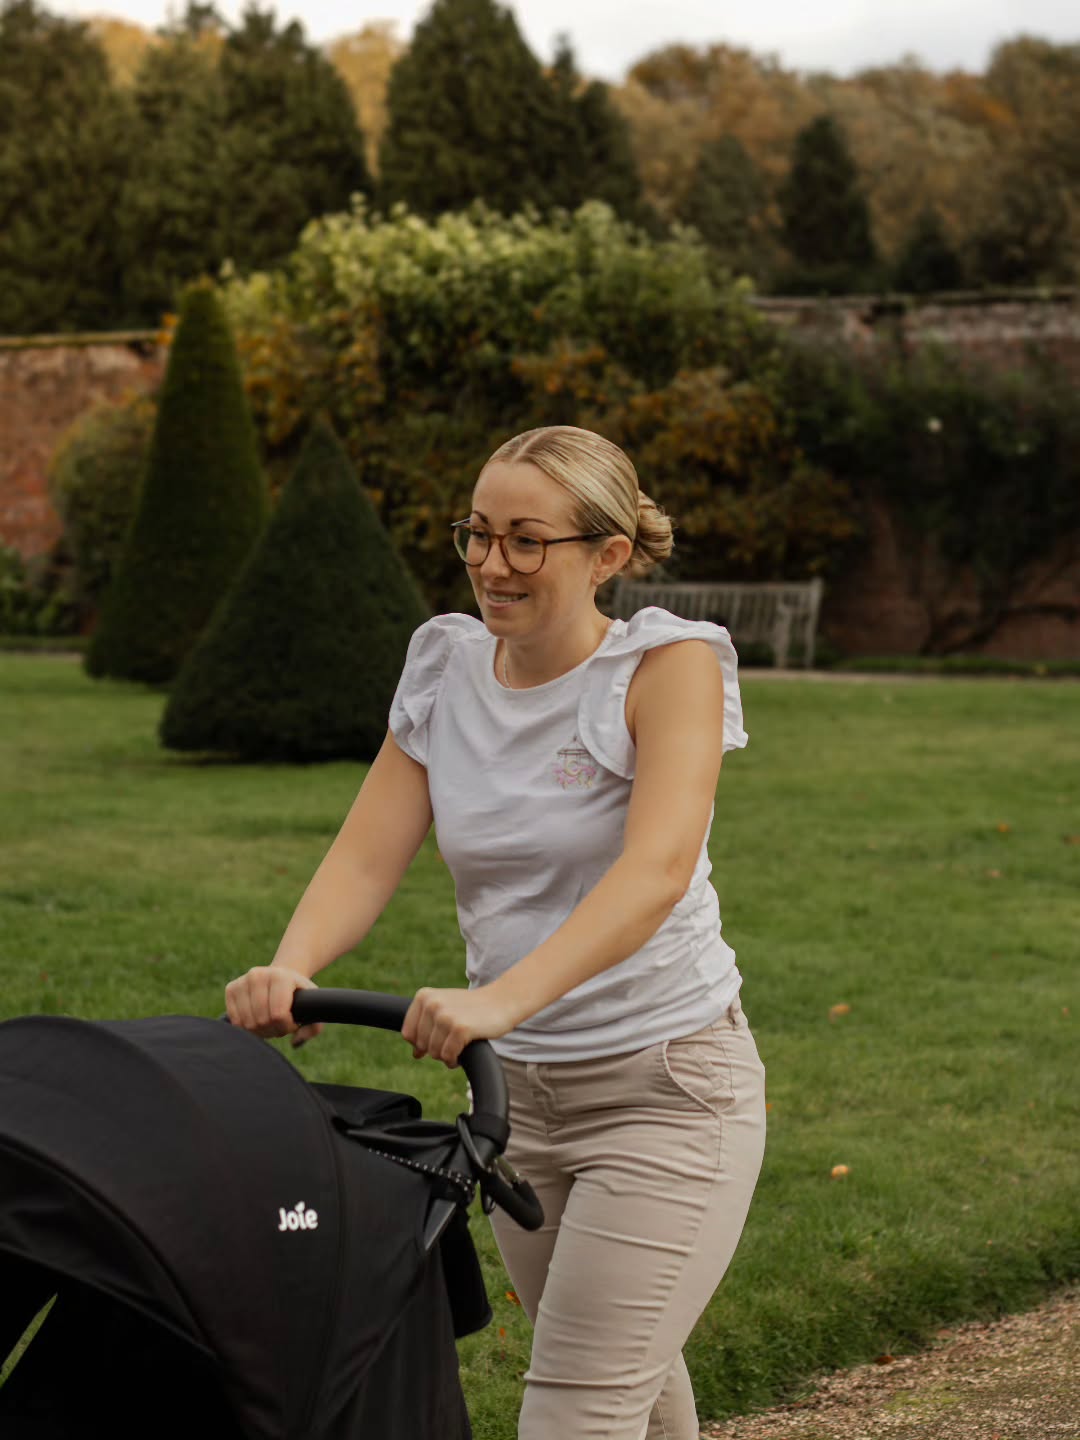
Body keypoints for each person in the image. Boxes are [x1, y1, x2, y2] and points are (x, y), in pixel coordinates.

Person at [225, 424, 767, 1440]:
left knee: (574, 1407)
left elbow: (651, 874)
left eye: (528, 541)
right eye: (477, 534)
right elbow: (366, 854)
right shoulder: (445, 666)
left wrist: (499, 998)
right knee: (625, 1387)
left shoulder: (666, 667)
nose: (492, 565)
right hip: (516, 1100)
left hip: (668, 1090)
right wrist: (291, 966)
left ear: (607, 555)